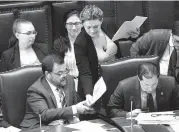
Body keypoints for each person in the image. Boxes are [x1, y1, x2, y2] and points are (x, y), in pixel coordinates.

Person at [74, 5, 140, 104]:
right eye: (88, 27)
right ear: (82, 24)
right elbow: (85, 72)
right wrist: (88, 94)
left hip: (117, 77)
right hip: (96, 84)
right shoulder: (80, 42)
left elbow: (122, 36)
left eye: (96, 26)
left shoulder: (109, 25)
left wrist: (133, 36)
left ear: (101, 21)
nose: (92, 30)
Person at [20, 54, 94, 130]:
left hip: (64, 127)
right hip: (38, 128)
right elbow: (44, 114)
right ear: (48, 74)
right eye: (60, 73)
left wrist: (87, 106)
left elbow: (75, 103)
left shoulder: (69, 79)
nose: (64, 75)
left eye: (65, 71)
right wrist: (74, 109)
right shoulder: (36, 90)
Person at [107, 62, 179, 118]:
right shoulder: (124, 86)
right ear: (139, 79)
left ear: (158, 78)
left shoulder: (170, 83)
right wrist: (128, 114)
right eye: (146, 85)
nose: (150, 89)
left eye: (154, 84)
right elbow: (111, 110)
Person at [53, 10, 82, 91]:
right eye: (70, 24)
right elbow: (56, 68)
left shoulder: (89, 40)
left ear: (82, 24)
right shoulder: (59, 43)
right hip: (66, 84)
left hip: (86, 83)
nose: (73, 27)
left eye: (76, 23)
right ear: (65, 25)